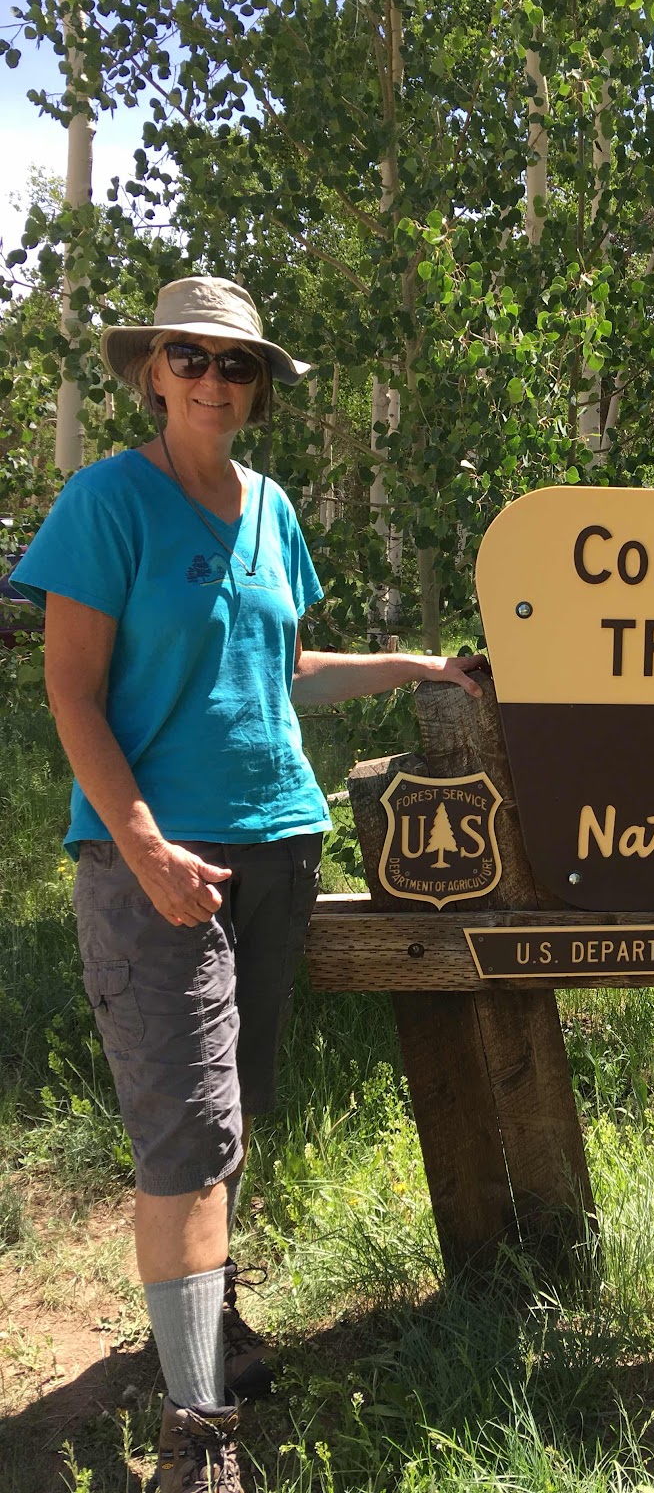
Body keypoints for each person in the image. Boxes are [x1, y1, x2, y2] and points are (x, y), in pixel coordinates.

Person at [11, 276, 485, 1492]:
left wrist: (413, 664)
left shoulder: (272, 508)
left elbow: (283, 667)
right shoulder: (108, 499)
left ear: (259, 387)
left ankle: (203, 1329)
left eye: (240, 365)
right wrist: (143, 843)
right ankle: (196, 1437)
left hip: (281, 842)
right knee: (186, 1138)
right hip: (158, 860)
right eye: (193, 357)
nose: (218, 380)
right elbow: (70, 686)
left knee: (229, 1116)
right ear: (150, 373)